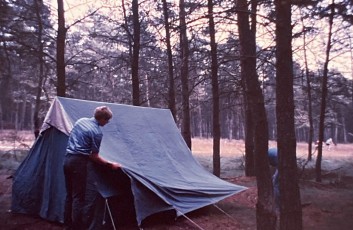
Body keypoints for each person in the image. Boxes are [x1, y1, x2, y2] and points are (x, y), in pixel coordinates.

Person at [63, 106, 121, 230]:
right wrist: (111, 164)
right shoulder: (97, 132)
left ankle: (67, 224)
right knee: (78, 197)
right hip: (79, 163)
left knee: (69, 194)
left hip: (67, 159)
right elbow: (94, 156)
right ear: (102, 118)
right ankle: (76, 227)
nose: (107, 122)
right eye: (107, 120)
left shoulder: (80, 121)